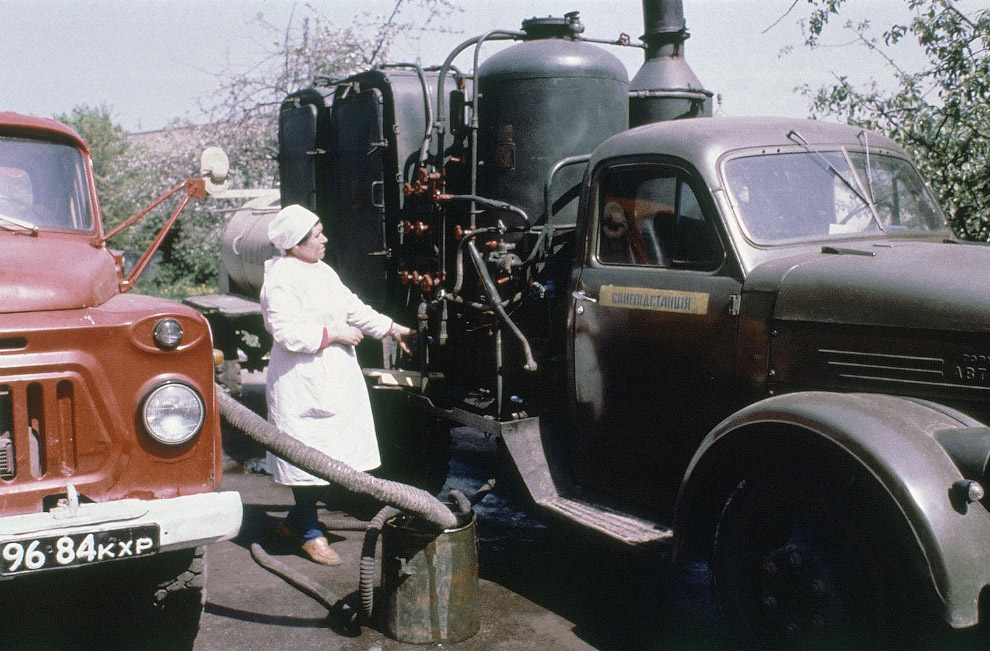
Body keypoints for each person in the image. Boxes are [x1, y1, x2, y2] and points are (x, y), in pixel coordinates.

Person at [260, 204, 412, 565]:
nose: (324, 239)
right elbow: (286, 332)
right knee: (305, 457)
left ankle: (297, 522)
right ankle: (311, 534)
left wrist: (392, 328)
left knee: (333, 456)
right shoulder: (280, 279)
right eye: (316, 235)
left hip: (334, 377)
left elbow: (353, 307)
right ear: (295, 244)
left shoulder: (323, 272)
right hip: (299, 378)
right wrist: (333, 334)